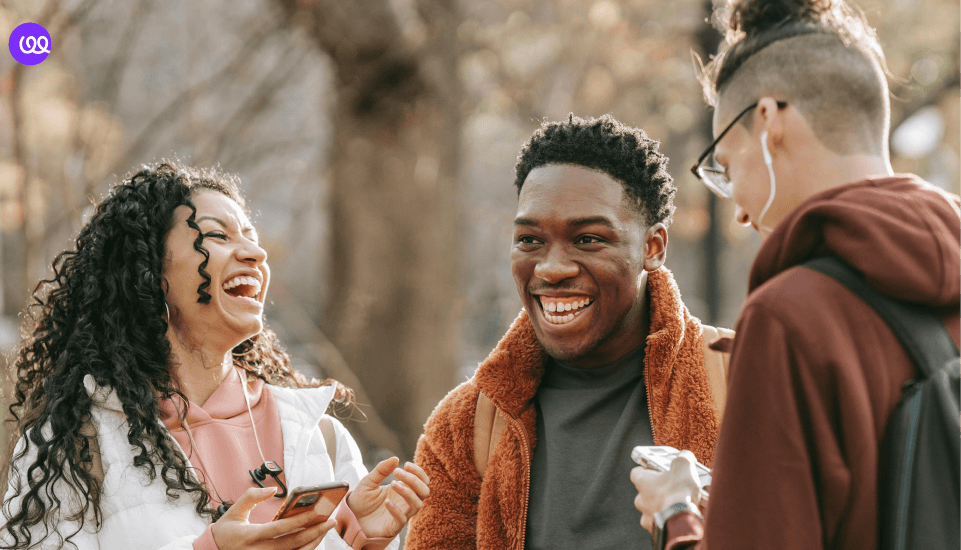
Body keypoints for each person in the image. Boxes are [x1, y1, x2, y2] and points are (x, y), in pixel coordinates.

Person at [630, 0, 961, 549]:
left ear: (768, 119)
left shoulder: (789, 318)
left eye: (726, 168)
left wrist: (678, 515)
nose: (736, 209)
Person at [0, 163, 430, 550]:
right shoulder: (77, 441)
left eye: (253, 239)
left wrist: (358, 539)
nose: (256, 254)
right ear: (148, 274)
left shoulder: (320, 435)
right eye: (217, 236)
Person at [405, 115, 733, 550]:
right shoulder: (466, 428)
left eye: (588, 239)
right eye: (530, 240)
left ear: (652, 248)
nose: (551, 268)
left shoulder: (744, 378)